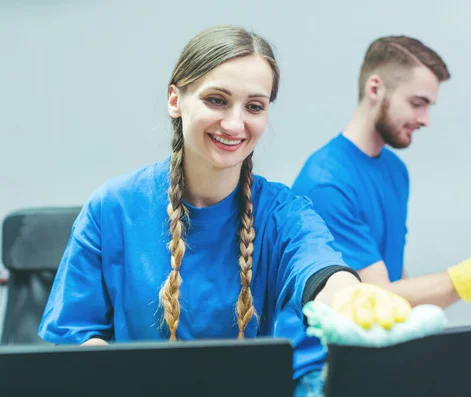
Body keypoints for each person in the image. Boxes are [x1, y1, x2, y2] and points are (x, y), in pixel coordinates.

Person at [38, 25, 410, 352]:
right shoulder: (112, 207)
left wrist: (352, 301)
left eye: (254, 106)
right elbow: (73, 333)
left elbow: (320, 269)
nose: (235, 124)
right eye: (216, 100)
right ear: (175, 101)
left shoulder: (283, 213)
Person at [277, 35, 471, 397]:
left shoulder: (394, 171)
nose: (425, 119)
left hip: (374, 356)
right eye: (418, 103)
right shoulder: (326, 182)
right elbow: (379, 295)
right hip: (320, 372)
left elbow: (398, 283)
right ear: (375, 88)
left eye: (429, 106)